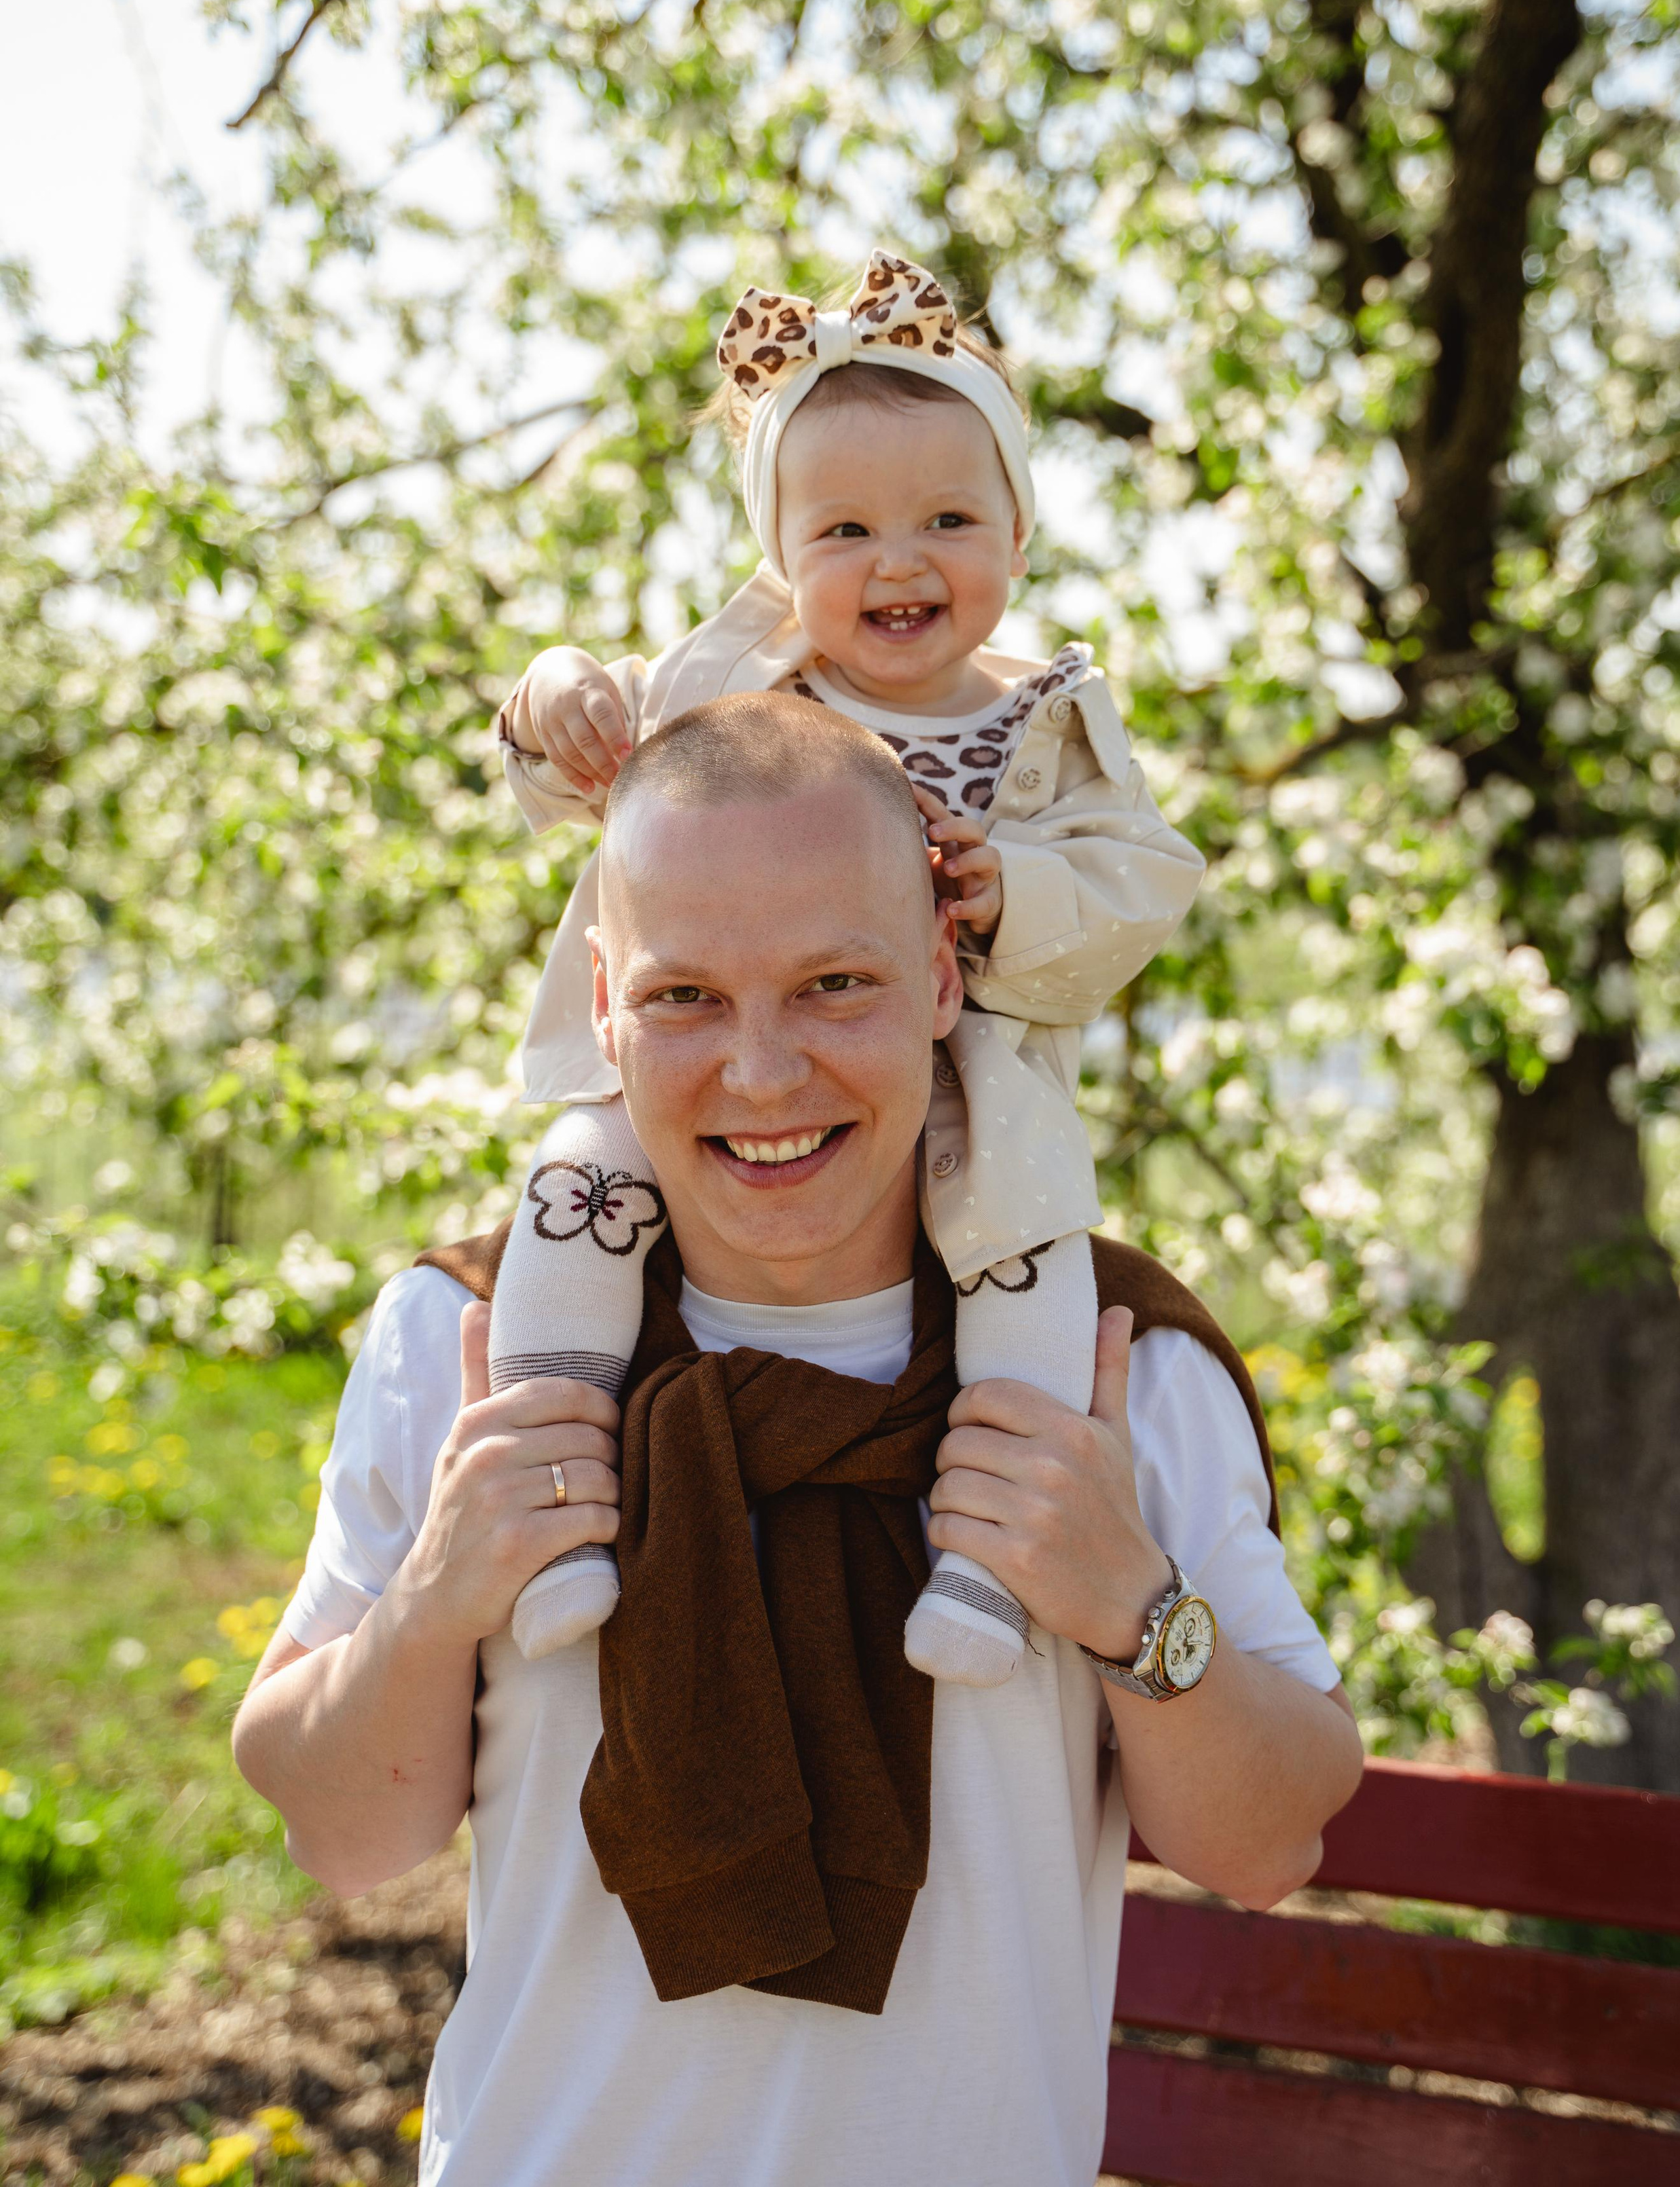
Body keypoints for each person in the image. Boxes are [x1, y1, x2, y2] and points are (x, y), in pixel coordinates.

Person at [234, 695, 1362, 2187]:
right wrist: (439, 1600)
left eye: (834, 985)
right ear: (600, 995)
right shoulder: (476, 1337)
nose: (760, 1077)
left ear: (946, 976)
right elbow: (340, 1837)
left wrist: (1131, 1608)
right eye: (684, 997)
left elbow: (1268, 1847)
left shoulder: (1114, 1366)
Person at [486, 247, 1207, 1682]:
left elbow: (1147, 879)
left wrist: (1017, 887)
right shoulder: (728, 686)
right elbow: (586, 761)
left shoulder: (1049, 722)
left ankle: (990, 1570)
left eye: (948, 516)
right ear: (779, 557)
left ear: (1014, 529)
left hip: (968, 1071)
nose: (897, 560)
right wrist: (550, 695)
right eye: (843, 531)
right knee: (578, 1183)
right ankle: (552, 1499)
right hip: (723, 1045)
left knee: (1026, 1260)